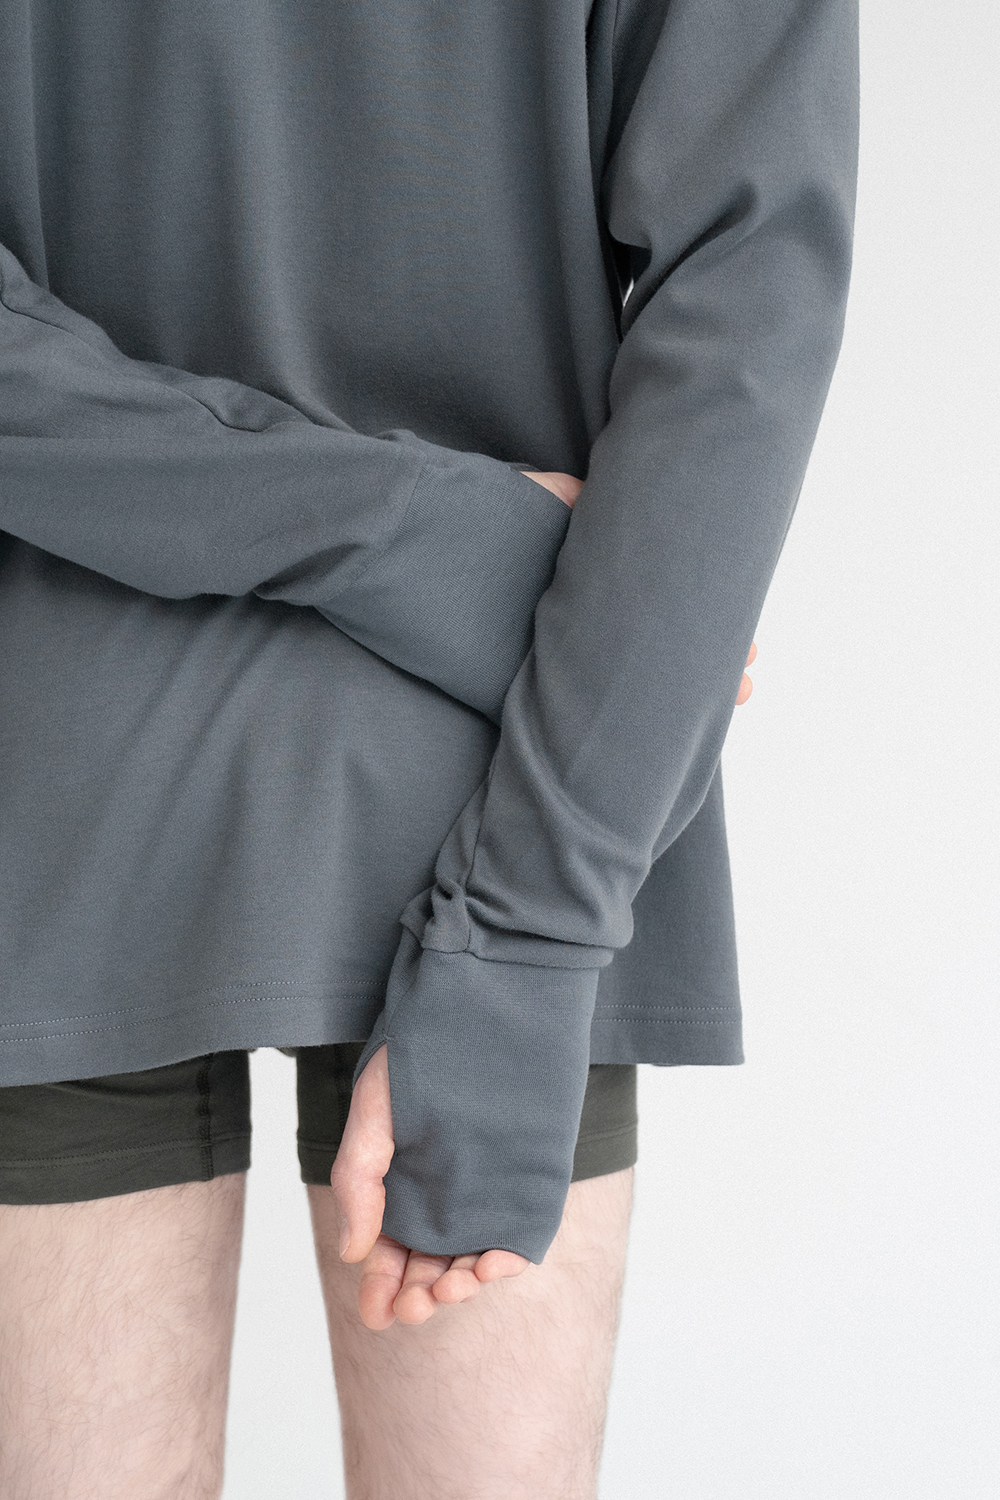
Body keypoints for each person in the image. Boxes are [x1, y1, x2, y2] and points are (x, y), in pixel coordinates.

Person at [0, 0, 858, 1493]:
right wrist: (432, 538)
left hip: (67, 763)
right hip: (526, 746)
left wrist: (403, 536)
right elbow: (750, 293)